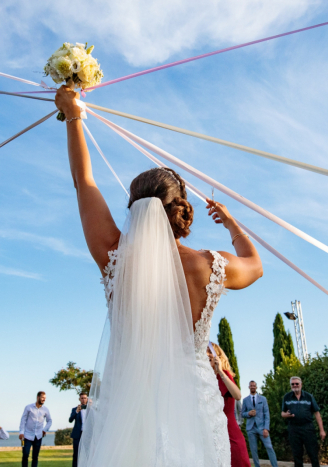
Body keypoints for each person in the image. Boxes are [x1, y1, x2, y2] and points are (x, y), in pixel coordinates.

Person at [55, 86, 263, 467]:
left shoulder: (113, 256)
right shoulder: (210, 264)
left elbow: (84, 181)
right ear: (180, 209)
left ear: (134, 209)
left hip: (128, 399)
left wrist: (73, 116)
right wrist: (232, 224)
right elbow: (255, 265)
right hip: (193, 398)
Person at [208, 343, 251, 467]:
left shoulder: (224, 375)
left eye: (209, 351)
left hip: (230, 432)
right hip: (212, 434)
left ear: (218, 356)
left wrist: (220, 371)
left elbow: (237, 395)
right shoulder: (206, 380)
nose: (206, 354)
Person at [281, 377, 325, 467]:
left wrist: (322, 430)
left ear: (301, 384)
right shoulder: (287, 397)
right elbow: (282, 413)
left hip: (308, 428)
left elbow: (317, 413)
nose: (295, 385)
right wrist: (286, 415)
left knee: (313, 454)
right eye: (292, 384)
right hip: (294, 429)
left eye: (297, 383)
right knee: (297, 455)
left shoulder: (309, 397)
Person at [19, 391, 52, 467]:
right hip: (26, 436)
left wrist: (45, 429)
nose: (44, 399)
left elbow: (49, 420)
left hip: (38, 436)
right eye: (42, 397)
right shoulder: (28, 407)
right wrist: (21, 432)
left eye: (45, 398)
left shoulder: (46, 409)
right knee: (25, 454)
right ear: (38, 397)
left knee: (35, 457)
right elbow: (23, 420)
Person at [69, 393, 88, 467]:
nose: (83, 400)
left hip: (87, 435)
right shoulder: (74, 409)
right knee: (76, 454)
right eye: (82, 398)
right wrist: (77, 411)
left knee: (87, 454)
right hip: (77, 434)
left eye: (85, 398)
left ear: (87, 399)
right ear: (79, 399)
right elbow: (70, 420)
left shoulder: (90, 409)